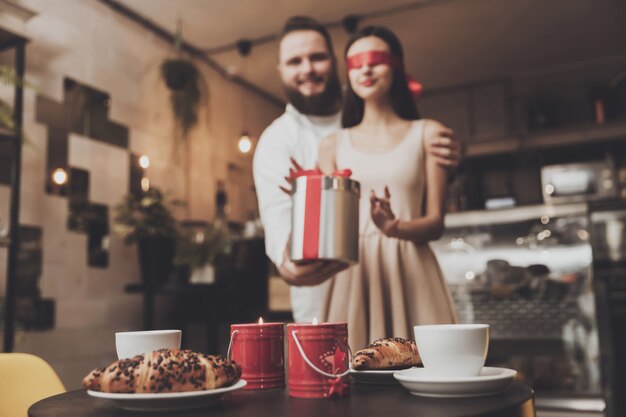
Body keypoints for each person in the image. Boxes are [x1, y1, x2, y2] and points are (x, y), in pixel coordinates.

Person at [253, 17, 461, 323]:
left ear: (336, 62)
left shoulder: (420, 130)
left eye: (317, 57)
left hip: (410, 273)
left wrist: (448, 162)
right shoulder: (277, 142)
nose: (307, 68)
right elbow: (281, 227)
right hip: (333, 293)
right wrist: (291, 262)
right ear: (281, 71)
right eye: (295, 61)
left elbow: (426, 204)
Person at [317, 26, 458, 348]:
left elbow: (435, 223)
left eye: (375, 60)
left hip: (412, 271)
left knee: (427, 372)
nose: (365, 68)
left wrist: (394, 227)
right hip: (353, 274)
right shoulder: (330, 145)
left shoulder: (429, 133)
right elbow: (329, 225)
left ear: (396, 67)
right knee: (351, 377)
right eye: (355, 62)